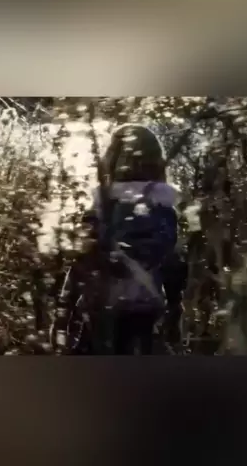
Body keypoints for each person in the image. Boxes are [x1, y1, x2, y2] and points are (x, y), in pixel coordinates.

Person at [88, 123, 179, 354]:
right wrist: (175, 307)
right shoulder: (163, 206)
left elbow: (88, 257)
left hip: (105, 304)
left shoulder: (102, 205)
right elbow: (171, 261)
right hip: (148, 301)